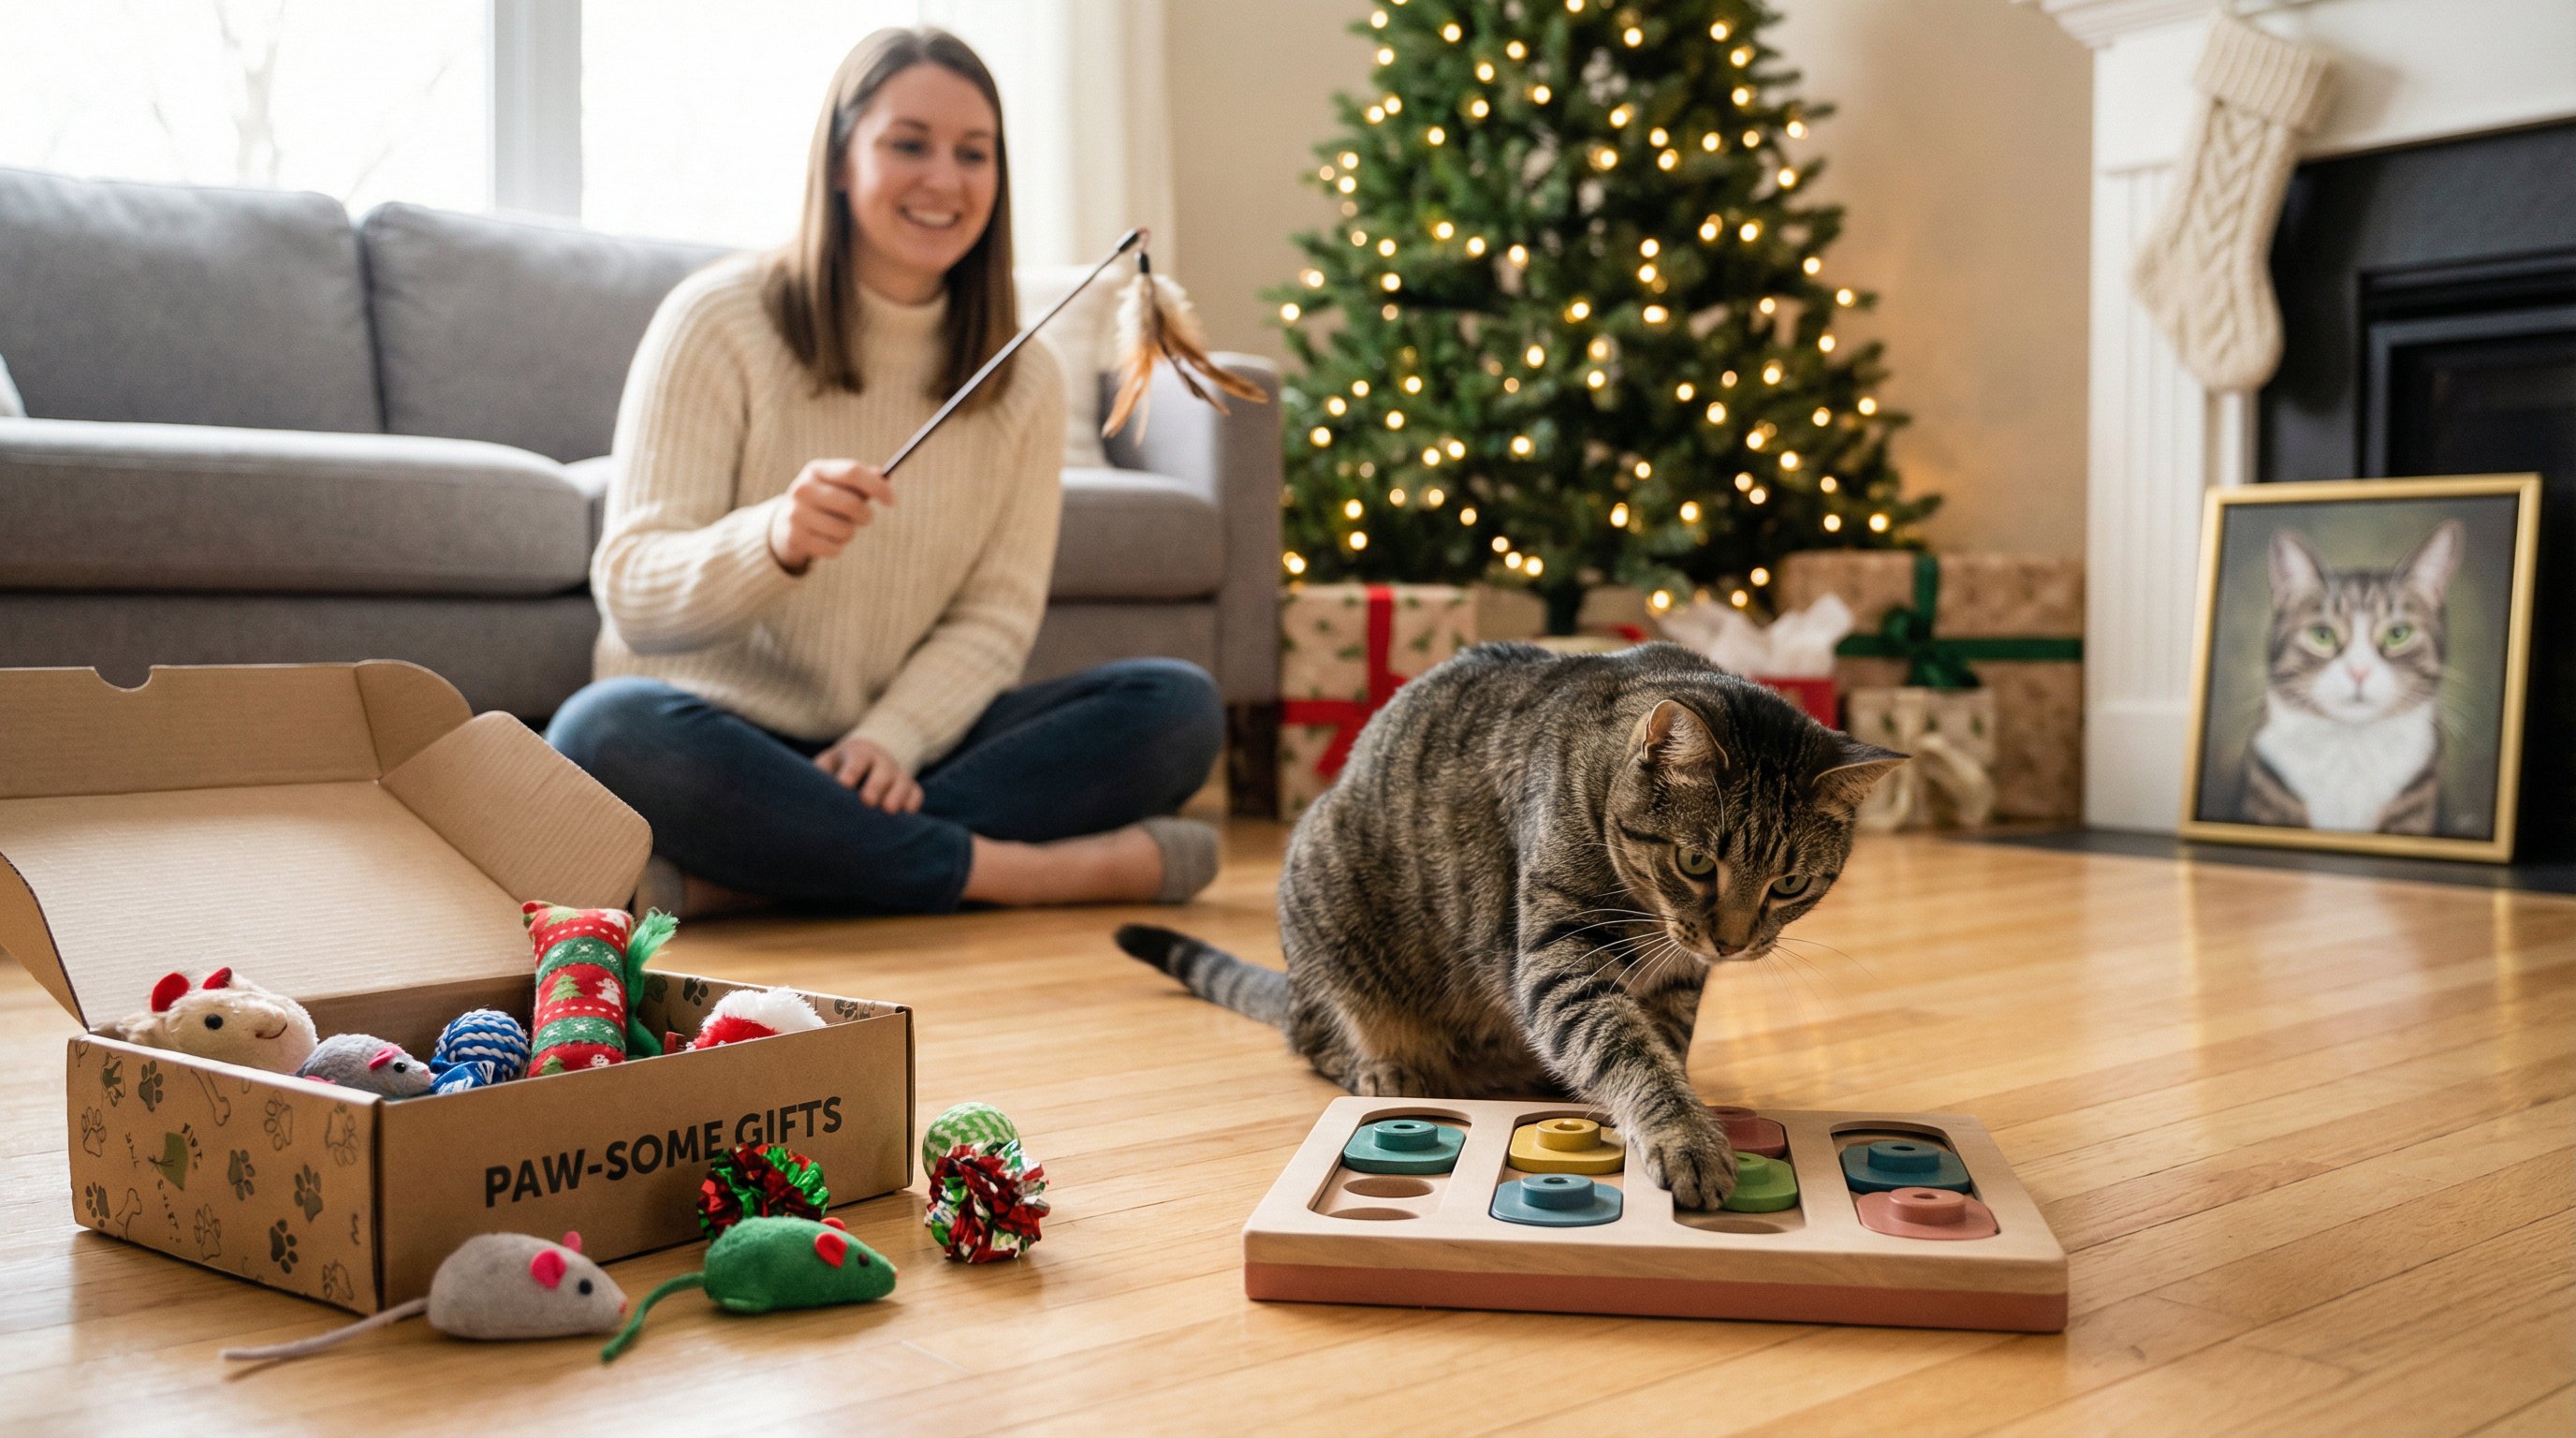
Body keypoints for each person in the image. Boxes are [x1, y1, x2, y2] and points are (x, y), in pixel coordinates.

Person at [549, 27, 1223, 917]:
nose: (944, 179)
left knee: (1175, 708)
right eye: (909, 144)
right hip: (723, 739)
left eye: (972, 154)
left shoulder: (1025, 377)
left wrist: (893, 738)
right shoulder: (715, 321)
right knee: (601, 733)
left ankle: (741, 883)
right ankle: (1022, 874)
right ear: (838, 158)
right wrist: (773, 541)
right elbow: (633, 592)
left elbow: (994, 617)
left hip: (898, 759)